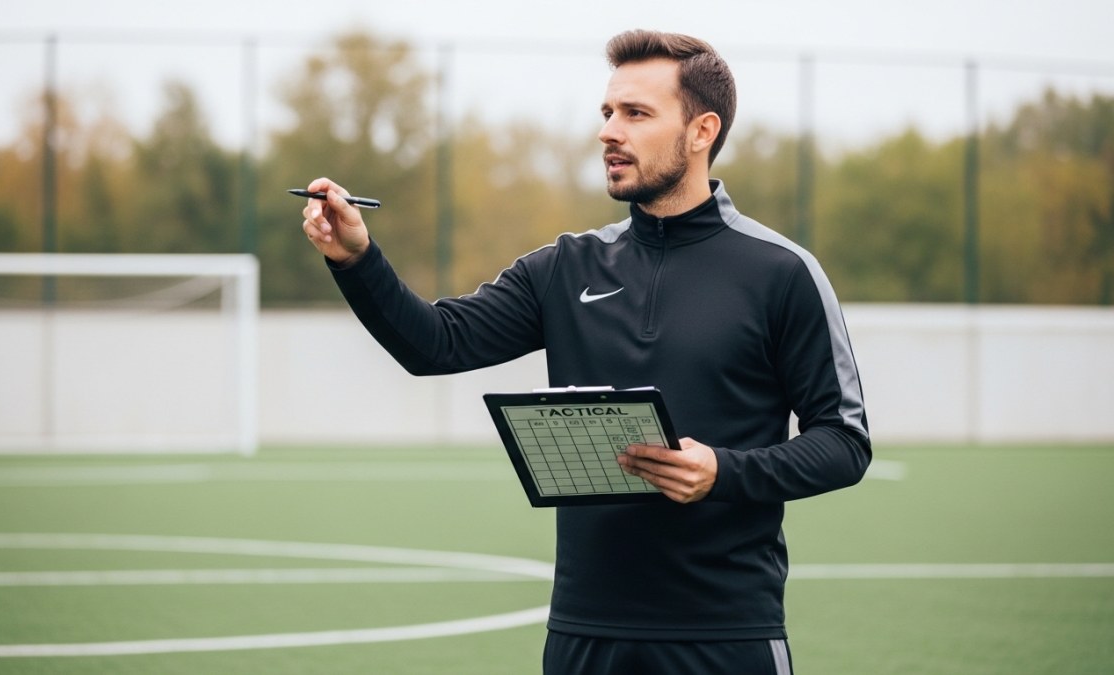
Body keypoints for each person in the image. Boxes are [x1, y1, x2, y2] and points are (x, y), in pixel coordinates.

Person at [300, 28, 870, 675]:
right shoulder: (565, 267)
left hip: (726, 633)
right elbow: (435, 342)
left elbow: (845, 440)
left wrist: (725, 472)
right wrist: (356, 259)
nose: (608, 131)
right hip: (583, 632)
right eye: (606, 112)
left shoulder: (781, 271)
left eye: (636, 113)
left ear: (701, 130)